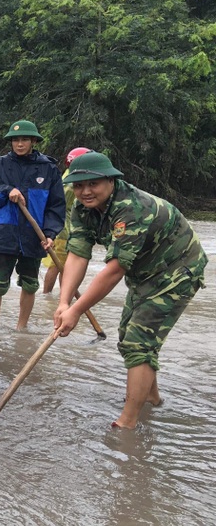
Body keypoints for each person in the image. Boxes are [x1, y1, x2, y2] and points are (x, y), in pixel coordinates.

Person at [53, 152, 207, 429]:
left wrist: (77, 311)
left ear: (111, 180)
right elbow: (77, 253)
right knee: (129, 334)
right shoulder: (82, 207)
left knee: (138, 341)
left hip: (177, 270)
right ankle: (152, 399)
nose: (85, 191)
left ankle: (127, 423)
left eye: (93, 184)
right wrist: (64, 302)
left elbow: (113, 270)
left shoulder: (131, 208)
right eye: (78, 185)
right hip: (144, 272)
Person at [0, 120, 65, 330]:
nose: (19, 144)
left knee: (30, 285)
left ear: (33, 141)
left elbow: (56, 206)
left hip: (34, 236)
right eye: (15, 140)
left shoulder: (48, 168)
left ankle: (21, 328)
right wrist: (7, 190)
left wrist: (50, 233)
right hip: (3, 234)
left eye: (24, 139)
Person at [42, 147, 91, 295]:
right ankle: (61, 297)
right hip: (65, 230)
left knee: (58, 265)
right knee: (62, 266)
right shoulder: (70, 184)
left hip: (62, 228)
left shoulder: (69, 176)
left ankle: (52, 297)